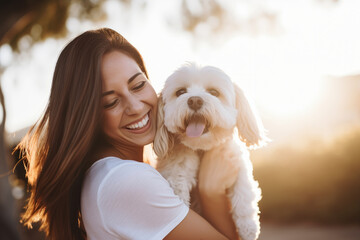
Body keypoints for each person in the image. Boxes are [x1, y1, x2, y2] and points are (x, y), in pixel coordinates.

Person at [17, 28, 240, 240]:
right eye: (111, 102)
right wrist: (212, 192)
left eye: (138, 85)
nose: (135, 106)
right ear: (88, 117)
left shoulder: (105, 174)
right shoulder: (126, 179)